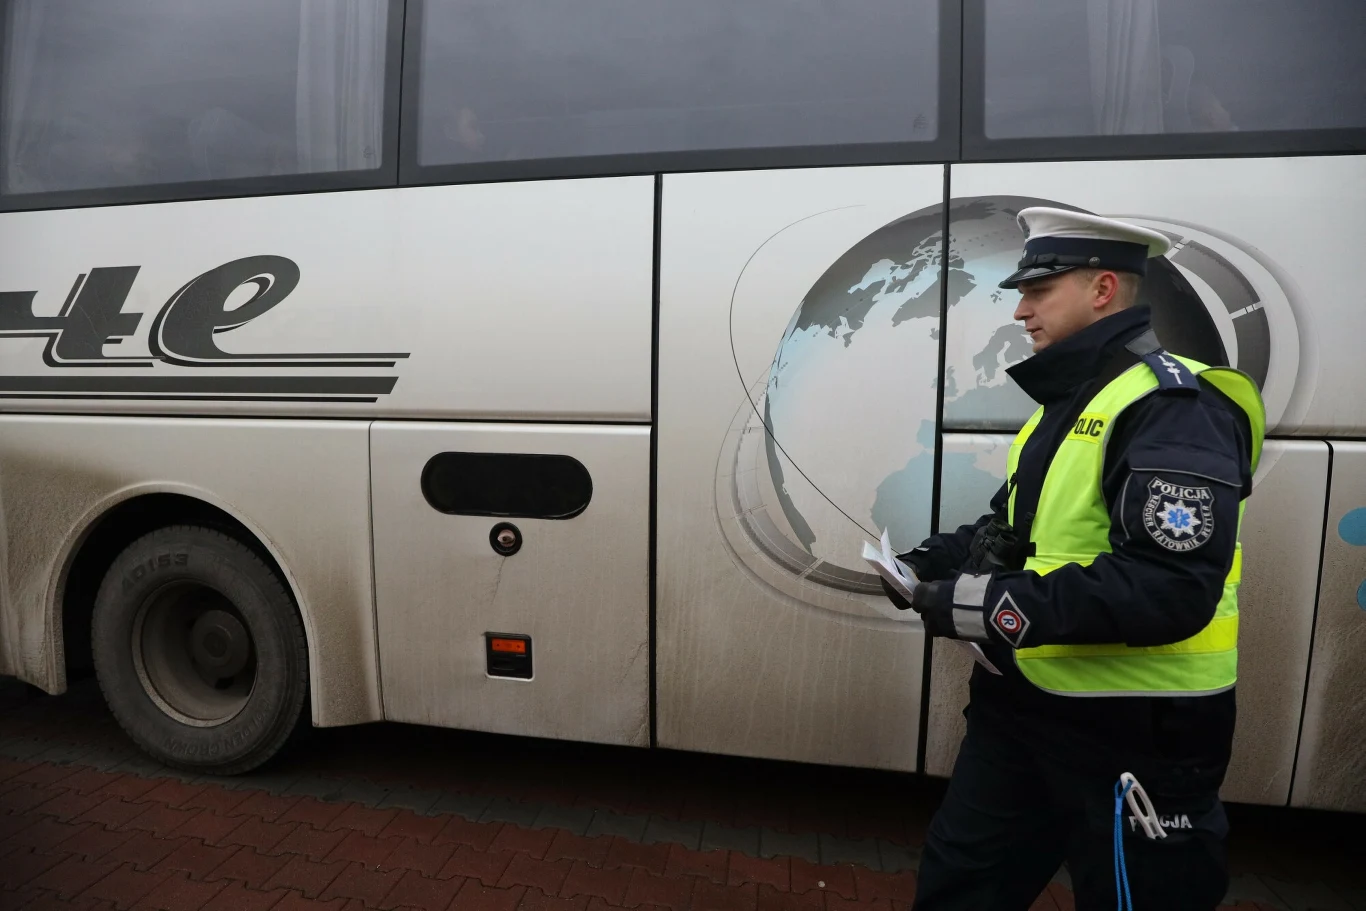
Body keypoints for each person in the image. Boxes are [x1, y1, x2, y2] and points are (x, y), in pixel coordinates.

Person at [881, 208, 1265, 910]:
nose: (1021, 309)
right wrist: (924, 561)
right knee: (957, 888)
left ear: (1103, 289)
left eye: (1040, 290)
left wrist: (984, 606)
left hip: (1136, 732)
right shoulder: (1066, 404)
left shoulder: (1177, 404)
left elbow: (1170, 587)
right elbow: (1013, 528)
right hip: (1021, 712)